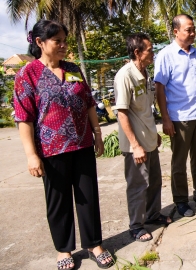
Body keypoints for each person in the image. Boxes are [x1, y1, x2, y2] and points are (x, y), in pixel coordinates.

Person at [14, 19, 113, 270]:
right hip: (51, 149)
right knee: (58, 202)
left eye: (64, 41)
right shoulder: (27, 75)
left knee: (88, 198)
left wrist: (97, 133)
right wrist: (31, 155)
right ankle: (64, 249)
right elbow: (23, 118)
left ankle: (94, 244)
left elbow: (89, 102)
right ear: (40, 42)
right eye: (57, 41)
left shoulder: (73, 68)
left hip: (81, 145)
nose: (63, 46)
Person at [154, 14, 196, 218]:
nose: (193, 33)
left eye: (193, 29)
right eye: (188, 30)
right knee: (179, 162)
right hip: (179, 117)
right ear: (176, 31)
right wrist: (165, 118)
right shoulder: (166, 55)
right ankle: (181, 201)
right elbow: (160, 88)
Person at [113, 33, 172, 242]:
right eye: (150, 50)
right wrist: (135, 145)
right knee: (138, 185)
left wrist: (154, 134)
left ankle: (153, 214)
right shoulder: (125, 75)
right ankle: (136, 226)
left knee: (155, 181)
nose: (153, 54)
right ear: (137, 52)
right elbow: (122, 113)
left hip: (149, 140)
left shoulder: (146, 73)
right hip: (135, 145)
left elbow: (146, 109)